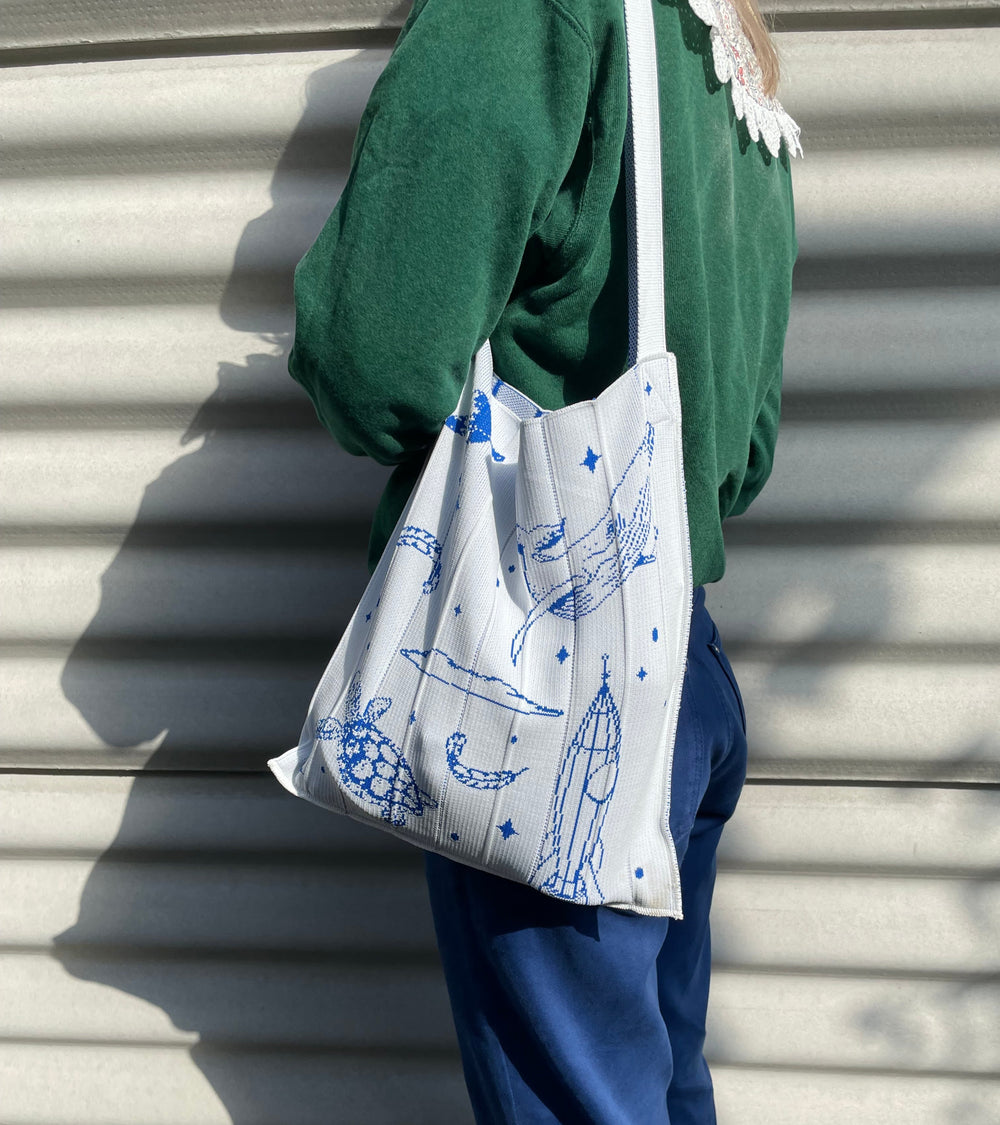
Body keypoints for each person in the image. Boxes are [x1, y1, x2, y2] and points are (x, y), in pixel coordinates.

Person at [286, 0, 800, 1119]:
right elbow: (743, 453)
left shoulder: (524, 15)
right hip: (680, 666)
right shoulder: (731, 61)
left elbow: (372, 354)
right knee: (655, 1088)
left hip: (546, 674)